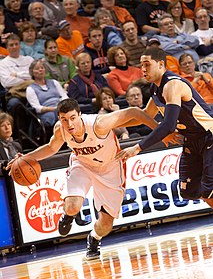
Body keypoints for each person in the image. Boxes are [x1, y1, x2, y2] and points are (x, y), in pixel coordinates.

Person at [7, 97, 168, 259]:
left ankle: (94, 238)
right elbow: (51, 148)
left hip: (110, 168)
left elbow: (133, 112)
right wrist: (24, 158)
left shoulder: (99, 124)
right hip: (82, 165)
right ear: (59, 119)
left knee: (106, 225)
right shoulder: (60, 130)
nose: (69, 124)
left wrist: (160, 130)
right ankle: (68, 215)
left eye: (72, 118)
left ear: (80, 115)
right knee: (72, 206)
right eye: (64, 120)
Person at [116, 47, 213, 210]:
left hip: (209, 136)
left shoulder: (173, 85)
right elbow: (146, 115)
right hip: (192, 141)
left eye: (147, 64)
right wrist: (112, 124)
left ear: (161, 64)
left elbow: (168, 125)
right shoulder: (155, 89)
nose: (143, 69)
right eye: (141, 65)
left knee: (209, 190)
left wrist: (137, 147)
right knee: (189, 191)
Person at [26, 59, 68, 134]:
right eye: (37, 68)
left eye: (42, 68)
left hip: (60, 107)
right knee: (51, 116)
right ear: (32, 72)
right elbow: (37, 107)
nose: (40, 70)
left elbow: (64, 96)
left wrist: (62, 106)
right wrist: (53, 109)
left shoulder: (54, 82)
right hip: (46, 111)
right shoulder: (30, 89)